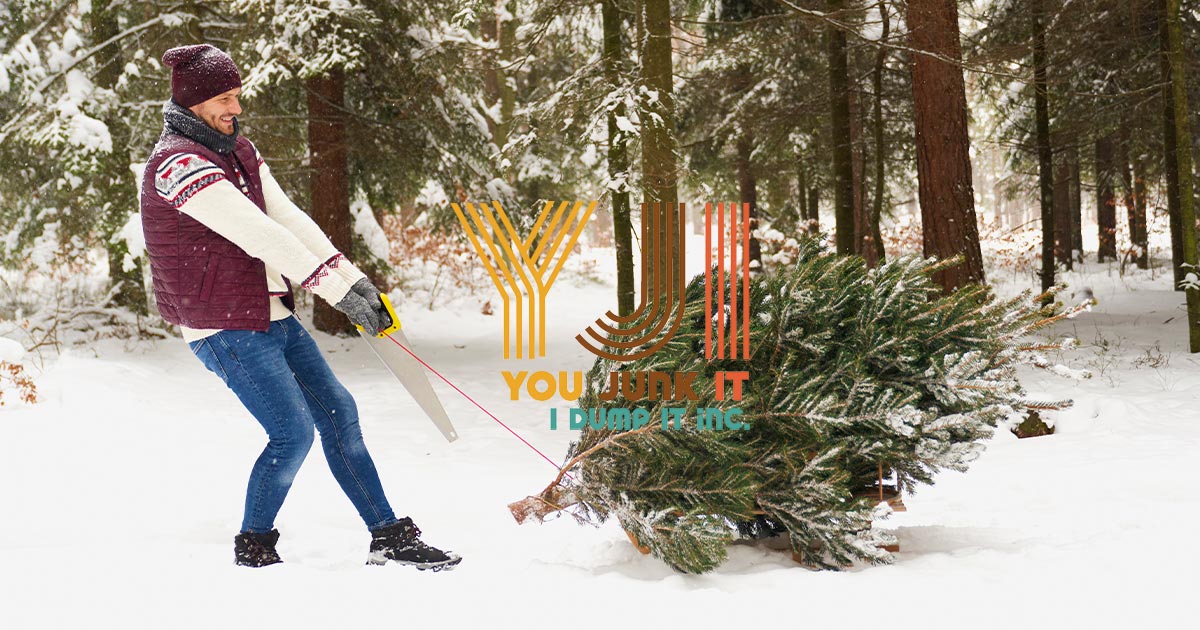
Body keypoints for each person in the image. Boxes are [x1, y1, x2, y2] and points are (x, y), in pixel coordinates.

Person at [139, 44, 461, 571]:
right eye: (224, 98)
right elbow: (257, 233)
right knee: (291, 433)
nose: (234, 108)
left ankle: (389, 535)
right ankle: (255, 545)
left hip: (271, 313)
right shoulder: (175, 165)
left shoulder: (236, 148)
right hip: (221, 325)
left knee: (340, 414)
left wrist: (355, 283)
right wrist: (333, 293)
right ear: (194, 101)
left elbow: (287, 217)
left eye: (237, 96)